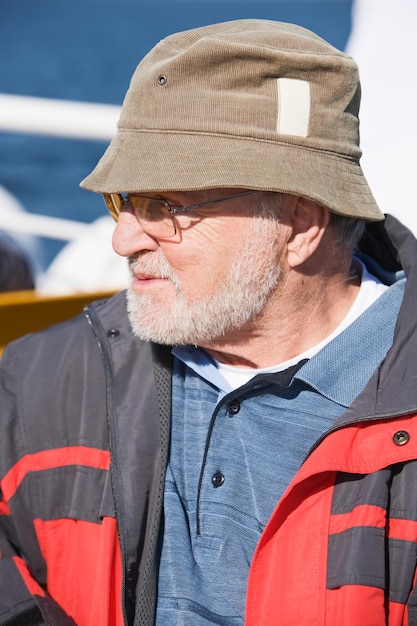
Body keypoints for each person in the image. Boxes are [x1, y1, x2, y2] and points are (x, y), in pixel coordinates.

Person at [1, 18, 416, 626]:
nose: (121, 240)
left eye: (161, 208)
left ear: (299, 225)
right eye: (121, 201)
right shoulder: (39, 383)